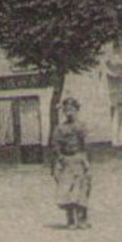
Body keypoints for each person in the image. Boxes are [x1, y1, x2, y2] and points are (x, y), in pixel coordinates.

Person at [49, 97, 91, 229]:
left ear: (77, 110)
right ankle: (71, 220)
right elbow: (55, 146)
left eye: (72, 109)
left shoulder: (81, 126)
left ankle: (82, 219)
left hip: (79, 160)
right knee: (67, 191)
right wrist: (59, 161)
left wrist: (86, 161)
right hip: (66, 162)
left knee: (82, 190)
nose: (69, 112)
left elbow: (86, 145)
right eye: (66, 110)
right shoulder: (60, 129)